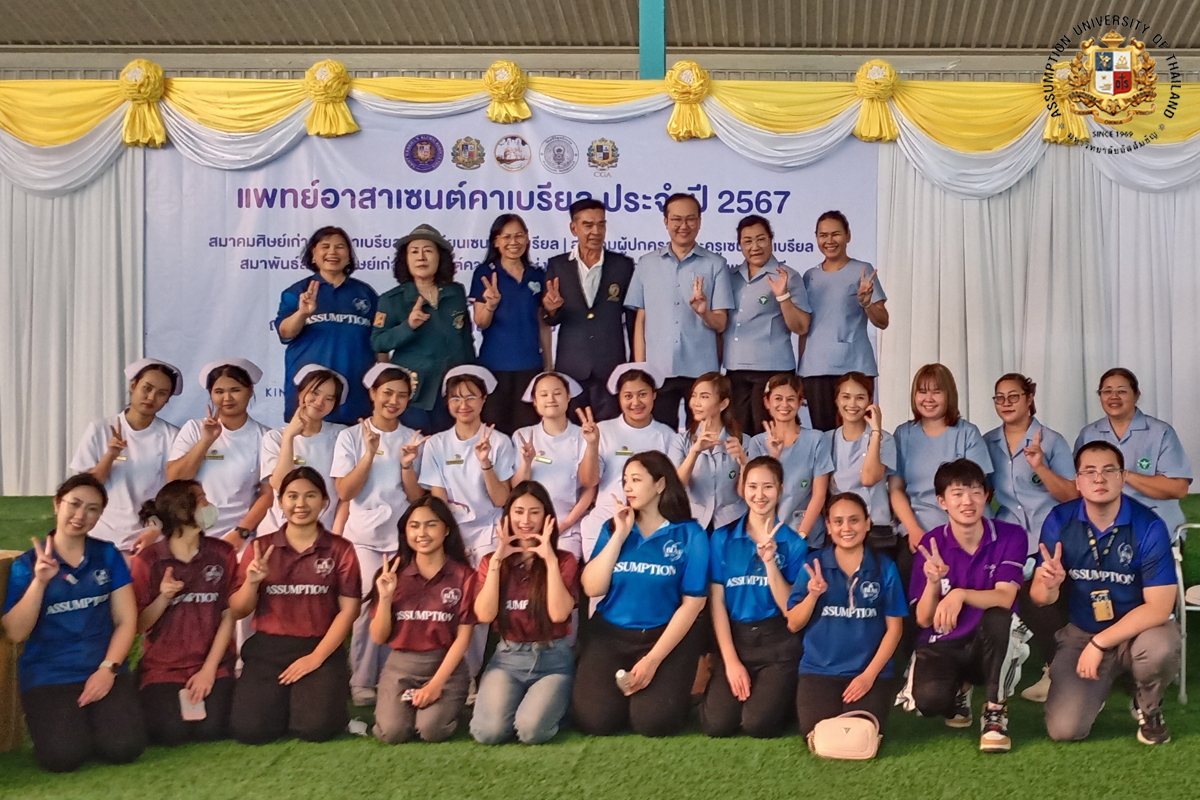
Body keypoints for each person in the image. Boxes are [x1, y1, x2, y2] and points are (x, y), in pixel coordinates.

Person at [1033, 441, 1180, 745]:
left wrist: (1100, 643)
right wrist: (1050, 585)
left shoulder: (1148, 525)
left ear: (1123, 477)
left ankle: (1148, 705)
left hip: (1137, 632)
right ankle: (1095, 691)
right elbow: (1039, 598)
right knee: (1065, 730)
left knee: (1161, 646)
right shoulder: (1059, 520)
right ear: (1077, 481)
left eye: (1108, 470)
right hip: (1083, 632)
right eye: (1089, 471)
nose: (1099, 478)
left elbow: (1160, 607)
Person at [1, 475, 145, 772]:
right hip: (50, 675)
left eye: (92, 509)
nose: (81, 515)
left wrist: (108, 669)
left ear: (99, 516)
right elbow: (15, 633)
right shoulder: (27, 565)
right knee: (62, 757)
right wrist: (40, 582)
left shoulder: (107, 555)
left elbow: (126, 620)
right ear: (57, 505)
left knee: (125, 748)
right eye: (74, 504)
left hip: (102, 667)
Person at [572, 451, 709, 737]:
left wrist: (652, 660)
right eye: (625, 481)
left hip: (662, 636)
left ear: (660, 484)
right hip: (610, 634)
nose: (628, 487)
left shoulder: (690, 534)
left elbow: (693, 603)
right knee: (596, 721)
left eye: (636, 480)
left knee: (654, 723)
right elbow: (593, 588)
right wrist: (619, 535)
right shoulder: (613, 527)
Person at [901, 459, 1027, 753]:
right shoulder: (931, 543)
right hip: (945, 642)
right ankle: (960, 690)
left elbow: (1005, 597)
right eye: (957, 494)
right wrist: (934, 583)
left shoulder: (1011, 536)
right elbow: (923, 619)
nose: (967, 501)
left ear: (987, 496)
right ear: (942, 501)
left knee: (1000, 618)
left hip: (988, 644)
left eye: (975, 492)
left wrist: (959, 594)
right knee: (929, 702)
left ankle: (995, 712)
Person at [227, 468, 360, 744]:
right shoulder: (260, 547)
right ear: (280, 502)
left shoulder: (340, 549)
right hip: (268, 649)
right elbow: (238, 610)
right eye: (292, 496)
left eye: (310, 496)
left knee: (315, 728)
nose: (301, 504)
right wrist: (252, 582)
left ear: (324, 502)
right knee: (251, 730)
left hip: (319, 645)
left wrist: (316, 657)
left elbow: (349, 610)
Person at [331, 363, 428, 706]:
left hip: (402, 538)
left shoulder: (412, 438)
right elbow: (345, 491)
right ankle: (361, 681)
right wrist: (370, 452)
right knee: (365, 609)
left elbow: (417, 498)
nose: (393, 401)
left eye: (402, 395)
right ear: (372, 393)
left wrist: (407, 465)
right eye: (387, 393)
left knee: (399, 607)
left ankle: (391, 677)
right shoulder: (350, 437)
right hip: (362, 538)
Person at [983, 372, 1077, 702]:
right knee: (1013, 593)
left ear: (1029, 398)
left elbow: (1071, 495)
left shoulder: (1051, 441)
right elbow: (982, 492)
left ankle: (1060, 671)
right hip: (1011, 538)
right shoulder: (988, 442)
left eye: (1014, 396)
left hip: (1052, 535)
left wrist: (1040, 466)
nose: (1006, 403)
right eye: (1000, 398)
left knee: (1040, 595)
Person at [419, 365, 516, 676]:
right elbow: (437, 500)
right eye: (456, 398)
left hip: (488, 532)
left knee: (479, 602)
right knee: (444, 599)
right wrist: (449, 540)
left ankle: (470, 675)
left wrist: (485, 463)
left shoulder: (500, 442)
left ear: (483, 400)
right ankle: (439, 670)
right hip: (450, 531)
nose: (463, 405)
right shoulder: (436, 444)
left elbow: (501, 499)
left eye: (471, 397)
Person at [701, 456, 806, 738]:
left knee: (758, 725)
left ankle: (786, 697)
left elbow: (790, 610)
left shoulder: (794, 543)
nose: (760, 495)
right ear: (742, 488)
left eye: (768, 487)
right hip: (737, 640)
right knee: (717, 725)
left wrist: (771, 562)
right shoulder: (722, 538)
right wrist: (731, 662)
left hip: (777, 642)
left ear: (780, 488)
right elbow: (718, 602)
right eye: (753, 486)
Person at [786, 493, 906, 739]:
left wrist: (868, 677)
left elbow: (895, 629)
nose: (846, 528)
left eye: (854, 520)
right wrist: (813, 595)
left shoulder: (884, 567)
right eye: (838, 521)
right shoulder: (813, 565)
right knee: (818, 734)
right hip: (819, 670)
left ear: (867, 523)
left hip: (868, 672)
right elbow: (794, 624)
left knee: (860, 735)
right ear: (828, 527)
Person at [471, 483, 579, 745]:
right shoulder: (491, 560)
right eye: (518, 512)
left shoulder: (564, 559)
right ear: (508, 517)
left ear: (546, 517)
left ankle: (550, 705)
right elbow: (484, 615)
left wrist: (549, 560)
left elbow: (558, 614)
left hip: (553, 659)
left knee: (531, 732)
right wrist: (498, 560)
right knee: (489, 733)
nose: (526, 520)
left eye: (534, 512)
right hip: (507, 658)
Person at [131, 480, 237, 745]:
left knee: (213, 729)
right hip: (163, 668)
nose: (208, 505)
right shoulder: (148, 561)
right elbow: (139, 625)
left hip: (213, 665)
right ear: (180, 510)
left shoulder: (222, 553)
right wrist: (163, 598)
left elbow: (229, 616)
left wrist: (209, 670)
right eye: (200, 499)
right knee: (170, 733)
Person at [369, 496, 476, 744]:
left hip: (444, 667)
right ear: (405, 531)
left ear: (446, 529)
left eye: (431, 525)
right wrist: (385, 597)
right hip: (400, 667)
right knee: (392, 733)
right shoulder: (391, 574)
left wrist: (436, 685)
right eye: (414, 526)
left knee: (431, 730)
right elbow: (379, 636)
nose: (422, 533)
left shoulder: (464, 575)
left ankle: (451, 709)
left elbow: (463, 639)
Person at [627, 193, 734, 429]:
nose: (683, 226)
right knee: (659, 434)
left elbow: (721, 323)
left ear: (699, 222)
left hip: (701, 371)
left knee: (703, 433)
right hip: (658, 370)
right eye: (676, 219)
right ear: (666, 222)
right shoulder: (646, 263)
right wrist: (640, 368)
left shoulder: (715, 264)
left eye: (690, 219)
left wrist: (704, 312)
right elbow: (640, 320)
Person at [69, 358, 182, 553]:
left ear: (167, 399)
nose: (151, 397)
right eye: (147, 388)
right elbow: (86, 488)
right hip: (101, 534)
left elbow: (174, 493)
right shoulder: (100, 429)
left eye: (161, 393)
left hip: (151, 537)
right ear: (133, 385)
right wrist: (111, 455)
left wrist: (158, 528)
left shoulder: (173, 436)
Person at [372, 224, 474, 434]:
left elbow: (466, 338)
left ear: (440, 258)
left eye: (428, 251)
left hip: (454, 391)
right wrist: (408, 326)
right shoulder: (392, 299)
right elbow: (378, 341)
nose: (421, 257)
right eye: (414, 252)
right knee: (414, 448)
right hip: (415, 392)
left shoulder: (455, 292)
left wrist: (471, 378)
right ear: (405, 260)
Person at [162, 359, 272, 550]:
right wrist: (206, 441)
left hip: (238, 539)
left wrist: (240, 533)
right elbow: (175, 478)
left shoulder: (265, 436)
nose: (227, 398)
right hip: (191, 536)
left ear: (250, 390)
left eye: (235, 390)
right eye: (219, 392)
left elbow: (267, 494)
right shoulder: (194, 429)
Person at [541, 198, 635, 421]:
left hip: (611, 366)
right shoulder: (558, 265)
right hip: (572, 366)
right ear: (574, 228)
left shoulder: (622, 265)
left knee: (610, 431)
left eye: (601, 224)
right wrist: (551, 310)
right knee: (572, 430)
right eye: (588, 225)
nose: (596, 231)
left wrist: (634, 364)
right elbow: (551, 319)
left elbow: (633, 319)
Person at [275, 226, 379, 424]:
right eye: (325, 246)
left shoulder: (366, 294)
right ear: (313, 254)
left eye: (340, 247)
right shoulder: (297, 292)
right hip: (310, 393)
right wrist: (302, 313)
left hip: (356, 392)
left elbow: (379, 343)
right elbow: (285, 333)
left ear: (349, 256)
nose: (333, 252)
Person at [797, 210, 889, 432]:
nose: (829, 240)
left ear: (848, 235)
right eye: (823, 235)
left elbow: (883, 321)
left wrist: (866, 302)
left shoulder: (862, 271)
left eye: (835, 234)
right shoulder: (809, 276)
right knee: (823, 435)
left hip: (854, 366)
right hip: (815, 370)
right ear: (816, 238)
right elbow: (804, 329)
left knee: (857, 434)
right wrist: (801, 370)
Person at [1074, 367, 1192, 538]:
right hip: (1101, 530)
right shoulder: (1088, 434)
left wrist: (1124, 474)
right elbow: (1078, 484)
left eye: (1122, 391)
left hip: (1155, 529)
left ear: (1136, 395)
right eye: (1107, 391)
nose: (1114, 397)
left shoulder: (1160, 432)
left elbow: (1179, 489)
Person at [890, 363, 993, 556]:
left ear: (949, 395)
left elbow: (975, 491)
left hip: (966, 529)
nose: (928, 399)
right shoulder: (903, 434)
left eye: (936, 392)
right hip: (918, 527)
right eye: (922, 392)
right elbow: (896, 489)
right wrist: (914, 530)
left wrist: (958, 535)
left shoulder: (967, 433)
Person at [578, 363, 677, 560]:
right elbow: (588, 481)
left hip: (652, 523)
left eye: (642, 394)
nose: (636, 402)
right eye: (628, 396)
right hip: (607, 518)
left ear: (654, 395)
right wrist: (592, 444)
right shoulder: (602, 431)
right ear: (619, 398)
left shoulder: (667, 435)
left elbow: (673, 486)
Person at [724, 215, 811, 437]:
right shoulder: (730, 277)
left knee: (770, 436)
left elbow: (801, 326)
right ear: (739, 245)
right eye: (747, 241)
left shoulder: (787, 276)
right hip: (735, 370)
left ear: (771, 239)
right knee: (739, 436)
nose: (755, 247)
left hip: (772, 370)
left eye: (761, 239)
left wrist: (783, 296)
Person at [470, 213, 552, 435]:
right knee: (493, 433)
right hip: (494, 367)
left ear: (527, 238)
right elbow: (480, 322)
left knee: (527, 433)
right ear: (496, 241)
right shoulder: (485, 273)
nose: (513, 242)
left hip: (530, 366)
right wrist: (491, 305)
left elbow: (543, 324)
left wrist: (548, 366)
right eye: (506, 237)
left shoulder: (537, 274)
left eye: (519, 236)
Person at [512, 371, 596, 560]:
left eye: (557, 393)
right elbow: (516, 488)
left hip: (568, 526)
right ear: (535, 401)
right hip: (528, 526)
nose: (551, 399)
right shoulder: (522, 435)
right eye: (543, 394)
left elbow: (590, 487)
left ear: (568, 397)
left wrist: (566, 523)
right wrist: (526, 462)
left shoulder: (583, 434)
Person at [746, 374, 833, 545]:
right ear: (767, 402)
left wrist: (800, 537)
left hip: (806, 537)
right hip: (766, 537)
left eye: (791, 399)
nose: (784, 405)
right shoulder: (757, 443)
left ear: (800, 403)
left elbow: (819, 495)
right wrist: (773, 457)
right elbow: (754, 492)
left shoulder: (816, 439)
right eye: (778, 398)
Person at [260, 365, 348, 535]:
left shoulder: (341, 436)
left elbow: (347, 493)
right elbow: (280, 485)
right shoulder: (274, 438)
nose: (320, 402)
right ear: (301, 393)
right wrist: (289, 437)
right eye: (315, 393)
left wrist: (337, 535)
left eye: (329, 398)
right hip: (277, 531)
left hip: (324, 532)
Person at [668, 373, 749, 531]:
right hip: (693, 521)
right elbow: (676, 488)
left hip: (733, 522)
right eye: (694, 396)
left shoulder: (743, 441)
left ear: (723, 404)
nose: (696, 403)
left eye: (704, 396)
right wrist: (694, 452)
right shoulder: (680, 441)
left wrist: (744, 463)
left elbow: (744, 492)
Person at [826, 372, 896, 551]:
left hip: (876, 528)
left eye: (860, 398)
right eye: (846, 397)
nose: (852, 404)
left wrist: (876, 432)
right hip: (841, 529)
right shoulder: (826, 440)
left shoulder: (885, 439)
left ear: (870, 401)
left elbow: (868, 478)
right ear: (836, 400)